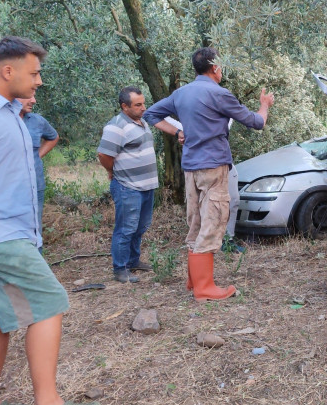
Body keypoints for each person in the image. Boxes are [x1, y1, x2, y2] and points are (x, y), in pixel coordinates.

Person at [0, 36, 91, 405]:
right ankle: (48, 402)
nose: (39, 80)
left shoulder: (11, 113)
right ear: (8, 71)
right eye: (34, 72)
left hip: (12, 235)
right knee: (50, 303)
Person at [143, 47, 273, 302]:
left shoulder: (181, 94)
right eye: (221, 66)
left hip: (191, 168)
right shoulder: (219, 94)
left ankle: (194, 280)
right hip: (214, 167)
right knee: (213, 222)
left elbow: (150, 114)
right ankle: (205, 288)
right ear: (215, 68)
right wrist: (264, 105)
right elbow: (257, 123)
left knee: (196, 222)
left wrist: (178, 132)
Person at [97, 87, 159, 283]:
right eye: (138, 105)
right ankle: (120, 268)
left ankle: (133, 261)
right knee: (126, 228)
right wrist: (112, 171)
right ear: (124, 106)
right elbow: (104, 155)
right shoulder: (116, 126)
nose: (143, 108)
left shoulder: (141, 122)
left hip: (146, 186)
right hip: (127, 186)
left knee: (141, 226)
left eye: (143, 103)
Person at [164, 116, 245, 253]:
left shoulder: (223, 114)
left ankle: (227, 240)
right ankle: (204, 241)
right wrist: (179, 133)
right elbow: (163, 118)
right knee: (201, 204)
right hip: (200, 167)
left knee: (233, 199)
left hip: (223, 163)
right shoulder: (191, 121)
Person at [18, 96, 59, 251]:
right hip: (10, 186)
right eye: (27, 96)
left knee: (35, 228)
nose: (33, 100)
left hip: (35, 184)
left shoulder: (37, 121)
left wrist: (36, 156)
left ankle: (36, 266)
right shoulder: (2, 120)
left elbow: (53, 137)